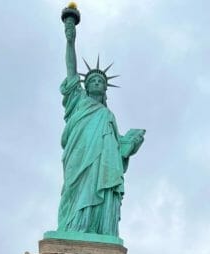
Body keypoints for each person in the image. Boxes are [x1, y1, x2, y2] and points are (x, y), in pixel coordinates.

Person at [58, 7, 145, 237]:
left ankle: (98, 229)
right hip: (79, 156)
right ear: (86, 86)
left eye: (100, 81)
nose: (97, 82)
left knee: (101, 187)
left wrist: (129, 144)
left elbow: (116, 149)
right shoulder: (78, 101)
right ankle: (73, 228)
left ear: (105, 88)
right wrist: (70, 40)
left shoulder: (108, 116)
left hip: (102, 164)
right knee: (74, 190)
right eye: (93, 80)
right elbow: (71, 70)